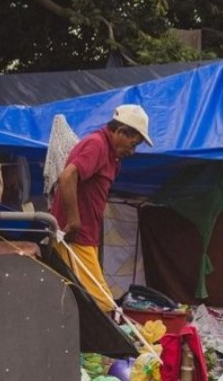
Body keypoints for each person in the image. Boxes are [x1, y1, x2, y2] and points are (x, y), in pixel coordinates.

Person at [50, 104, 153, 312]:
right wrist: (74, 220)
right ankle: (112, 343)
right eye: (132, 144)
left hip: (87, 237)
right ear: (121, 131)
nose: (132, 152)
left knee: (76, 295)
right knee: (103, 303)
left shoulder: (112, 156)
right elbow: (67, 176)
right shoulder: (97, 144)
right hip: (76, 236)